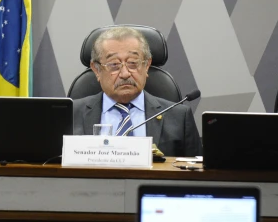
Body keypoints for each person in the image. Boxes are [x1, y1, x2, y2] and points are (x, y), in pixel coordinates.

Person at [72, 27, 201, 157]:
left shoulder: (179, 117)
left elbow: (196, 173)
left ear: (147, 66)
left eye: (133, 63)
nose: (125, 74)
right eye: (114, 65)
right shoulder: (70, 115)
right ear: (97, 70)